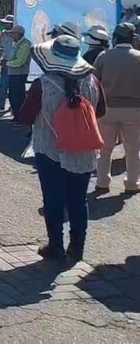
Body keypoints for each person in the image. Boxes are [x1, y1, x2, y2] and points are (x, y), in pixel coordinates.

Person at [18, 35, 104, 262]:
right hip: (84, 152)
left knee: (53, 200)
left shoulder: (42, 85)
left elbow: (25, 118)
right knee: (78, 200)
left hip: (50, 150)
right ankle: (77, 248)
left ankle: (55, 246)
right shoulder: (93, 82)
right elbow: (101, 112)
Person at [93, 23, 140, 194]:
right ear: (132, 39)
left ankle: (102, 182)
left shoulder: (104, 56)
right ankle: (132, 184)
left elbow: (93, 81)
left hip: (107, 108)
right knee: (133, 150)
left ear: (114, 38)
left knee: (104, 149)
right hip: (134, 110)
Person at [7, 25, 32, 122]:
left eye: (13, 34)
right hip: (14, 74)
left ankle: (20, 117)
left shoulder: (24, 44)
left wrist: (7, 63)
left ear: (18, 34)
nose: (11, 36)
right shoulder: (18, 43)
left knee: (18, 97)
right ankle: (17, 116)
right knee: (13, 96)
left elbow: (20, 62)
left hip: (18, 74)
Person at [0, 15, 15, 110]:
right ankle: (1, 103)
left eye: (6, 23)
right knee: (3, 83)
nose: (4, 24)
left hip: (15, 63)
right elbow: (0, 48)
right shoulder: (4, 33)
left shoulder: (17, 34)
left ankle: (13, 105)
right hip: (5, 62)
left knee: (13, 85)